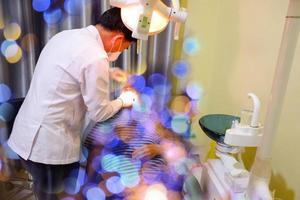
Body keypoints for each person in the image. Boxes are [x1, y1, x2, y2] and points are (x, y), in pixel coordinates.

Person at [7, 7, 136, 200]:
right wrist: (122, 101)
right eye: (124, 47)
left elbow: (67, 70)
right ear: (118, 39)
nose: (121, 51)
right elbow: (99, 113)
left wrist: (108, 73)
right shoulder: (96, 57)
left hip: (24, 135)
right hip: (49, 150)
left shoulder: (65, 36)